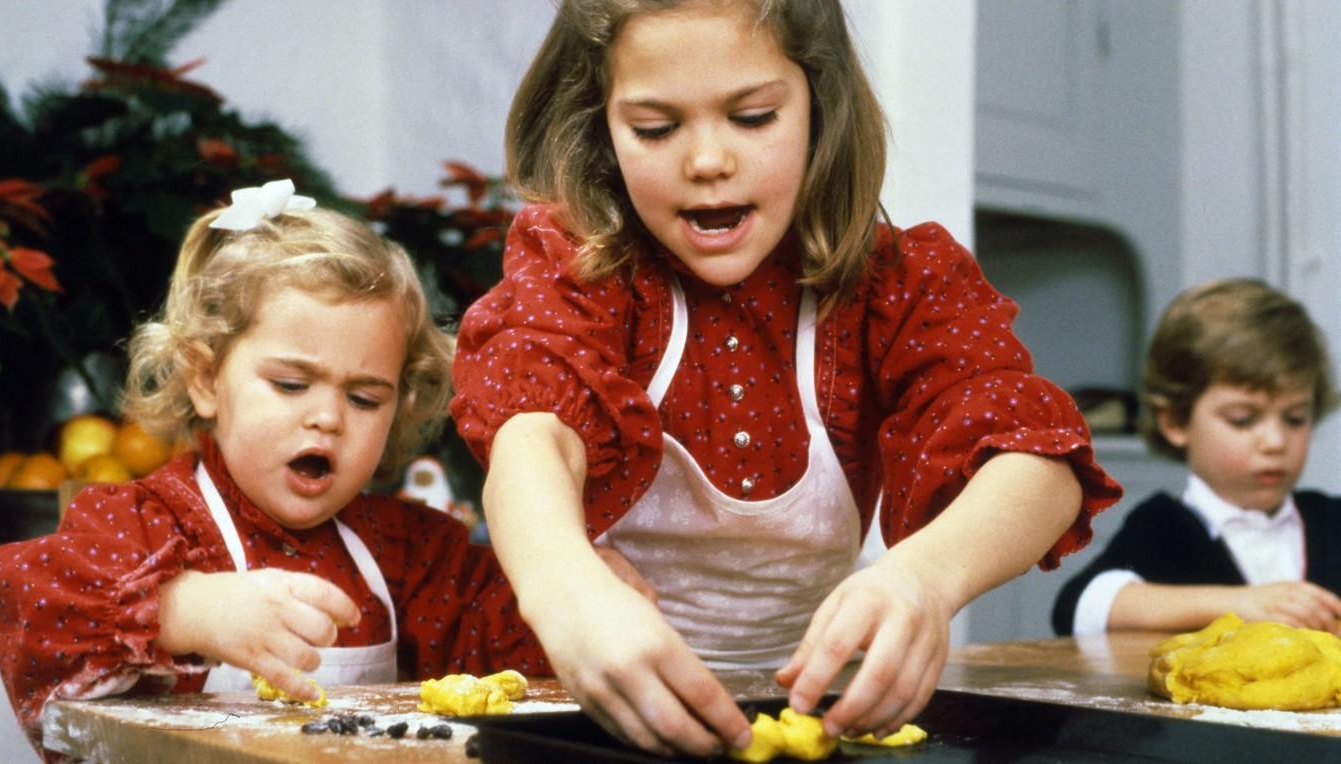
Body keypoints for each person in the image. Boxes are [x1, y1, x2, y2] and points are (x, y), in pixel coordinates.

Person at [451, 1, 1123, 757]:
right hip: (570, 721)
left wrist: (925, 580)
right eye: (655, 128)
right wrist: (566, 594)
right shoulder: (581, 269)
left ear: (819, 106)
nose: (707, 160)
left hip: (800, 718)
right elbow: (531, 435)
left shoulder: (898, 288)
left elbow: (1035, 461)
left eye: (754, 116)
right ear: (600, 127)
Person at [0, 180, 548, 755]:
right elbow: (15, 594)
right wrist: (183, 609)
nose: (328, 417)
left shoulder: (405, 553)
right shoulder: (147, 527)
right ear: (206, 380)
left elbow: (515, 636)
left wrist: (568, 587)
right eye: (291, 384)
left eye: (364, 398)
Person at [1052, 278, 1341, 637]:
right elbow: (1079, 606)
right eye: (1243, 419)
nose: (1275, 441)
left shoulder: (1330, 519)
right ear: (1175, 420)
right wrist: (1240, 604)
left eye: (1295, 418)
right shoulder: (1165, 526)